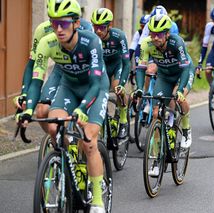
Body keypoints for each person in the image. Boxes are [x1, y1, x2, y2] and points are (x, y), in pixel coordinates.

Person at [17, 0, 108, 212]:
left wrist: (82, 109)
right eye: (54, 22)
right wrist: (29, 109)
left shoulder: (91, 41)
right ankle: (69, 163)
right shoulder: (46, 43)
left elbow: (95, 84)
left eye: (64, 23)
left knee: (89, 140)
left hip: (94, 88)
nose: (59, 29)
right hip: (68, 86)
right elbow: (36, 81)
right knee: (53, 127)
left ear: (76, 23)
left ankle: (96, 199)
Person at [133, 14, 194, 176]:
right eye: (152, 33)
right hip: (165, 77)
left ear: (167, 34)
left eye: (159, 34)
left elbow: (186, 68)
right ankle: (155, 160)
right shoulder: (147, 43)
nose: (155, 37)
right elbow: (141, 68)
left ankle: (186, 130)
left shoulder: (176, 42)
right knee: (155, 114)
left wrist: (181, 89)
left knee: (178, 97)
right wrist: (140, 89)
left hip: (182, 74)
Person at [13, 14, 93, 133]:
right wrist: (24, 93)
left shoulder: (84, 26)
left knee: (84, 122)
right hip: (61, 68)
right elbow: (32, 64)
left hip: (83, 71)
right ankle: (58, 142)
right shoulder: (42, 30)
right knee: (41, 112)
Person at [91, 8, 130, 139]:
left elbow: (126, 63)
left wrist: (123, 84)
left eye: (102, 27)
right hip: (102, 67)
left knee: (117, 87)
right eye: (95, 27)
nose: (98, 31)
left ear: (109, 26)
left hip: (117, 65)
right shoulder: (92, 38)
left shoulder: (119, 36)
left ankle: (123, 118)